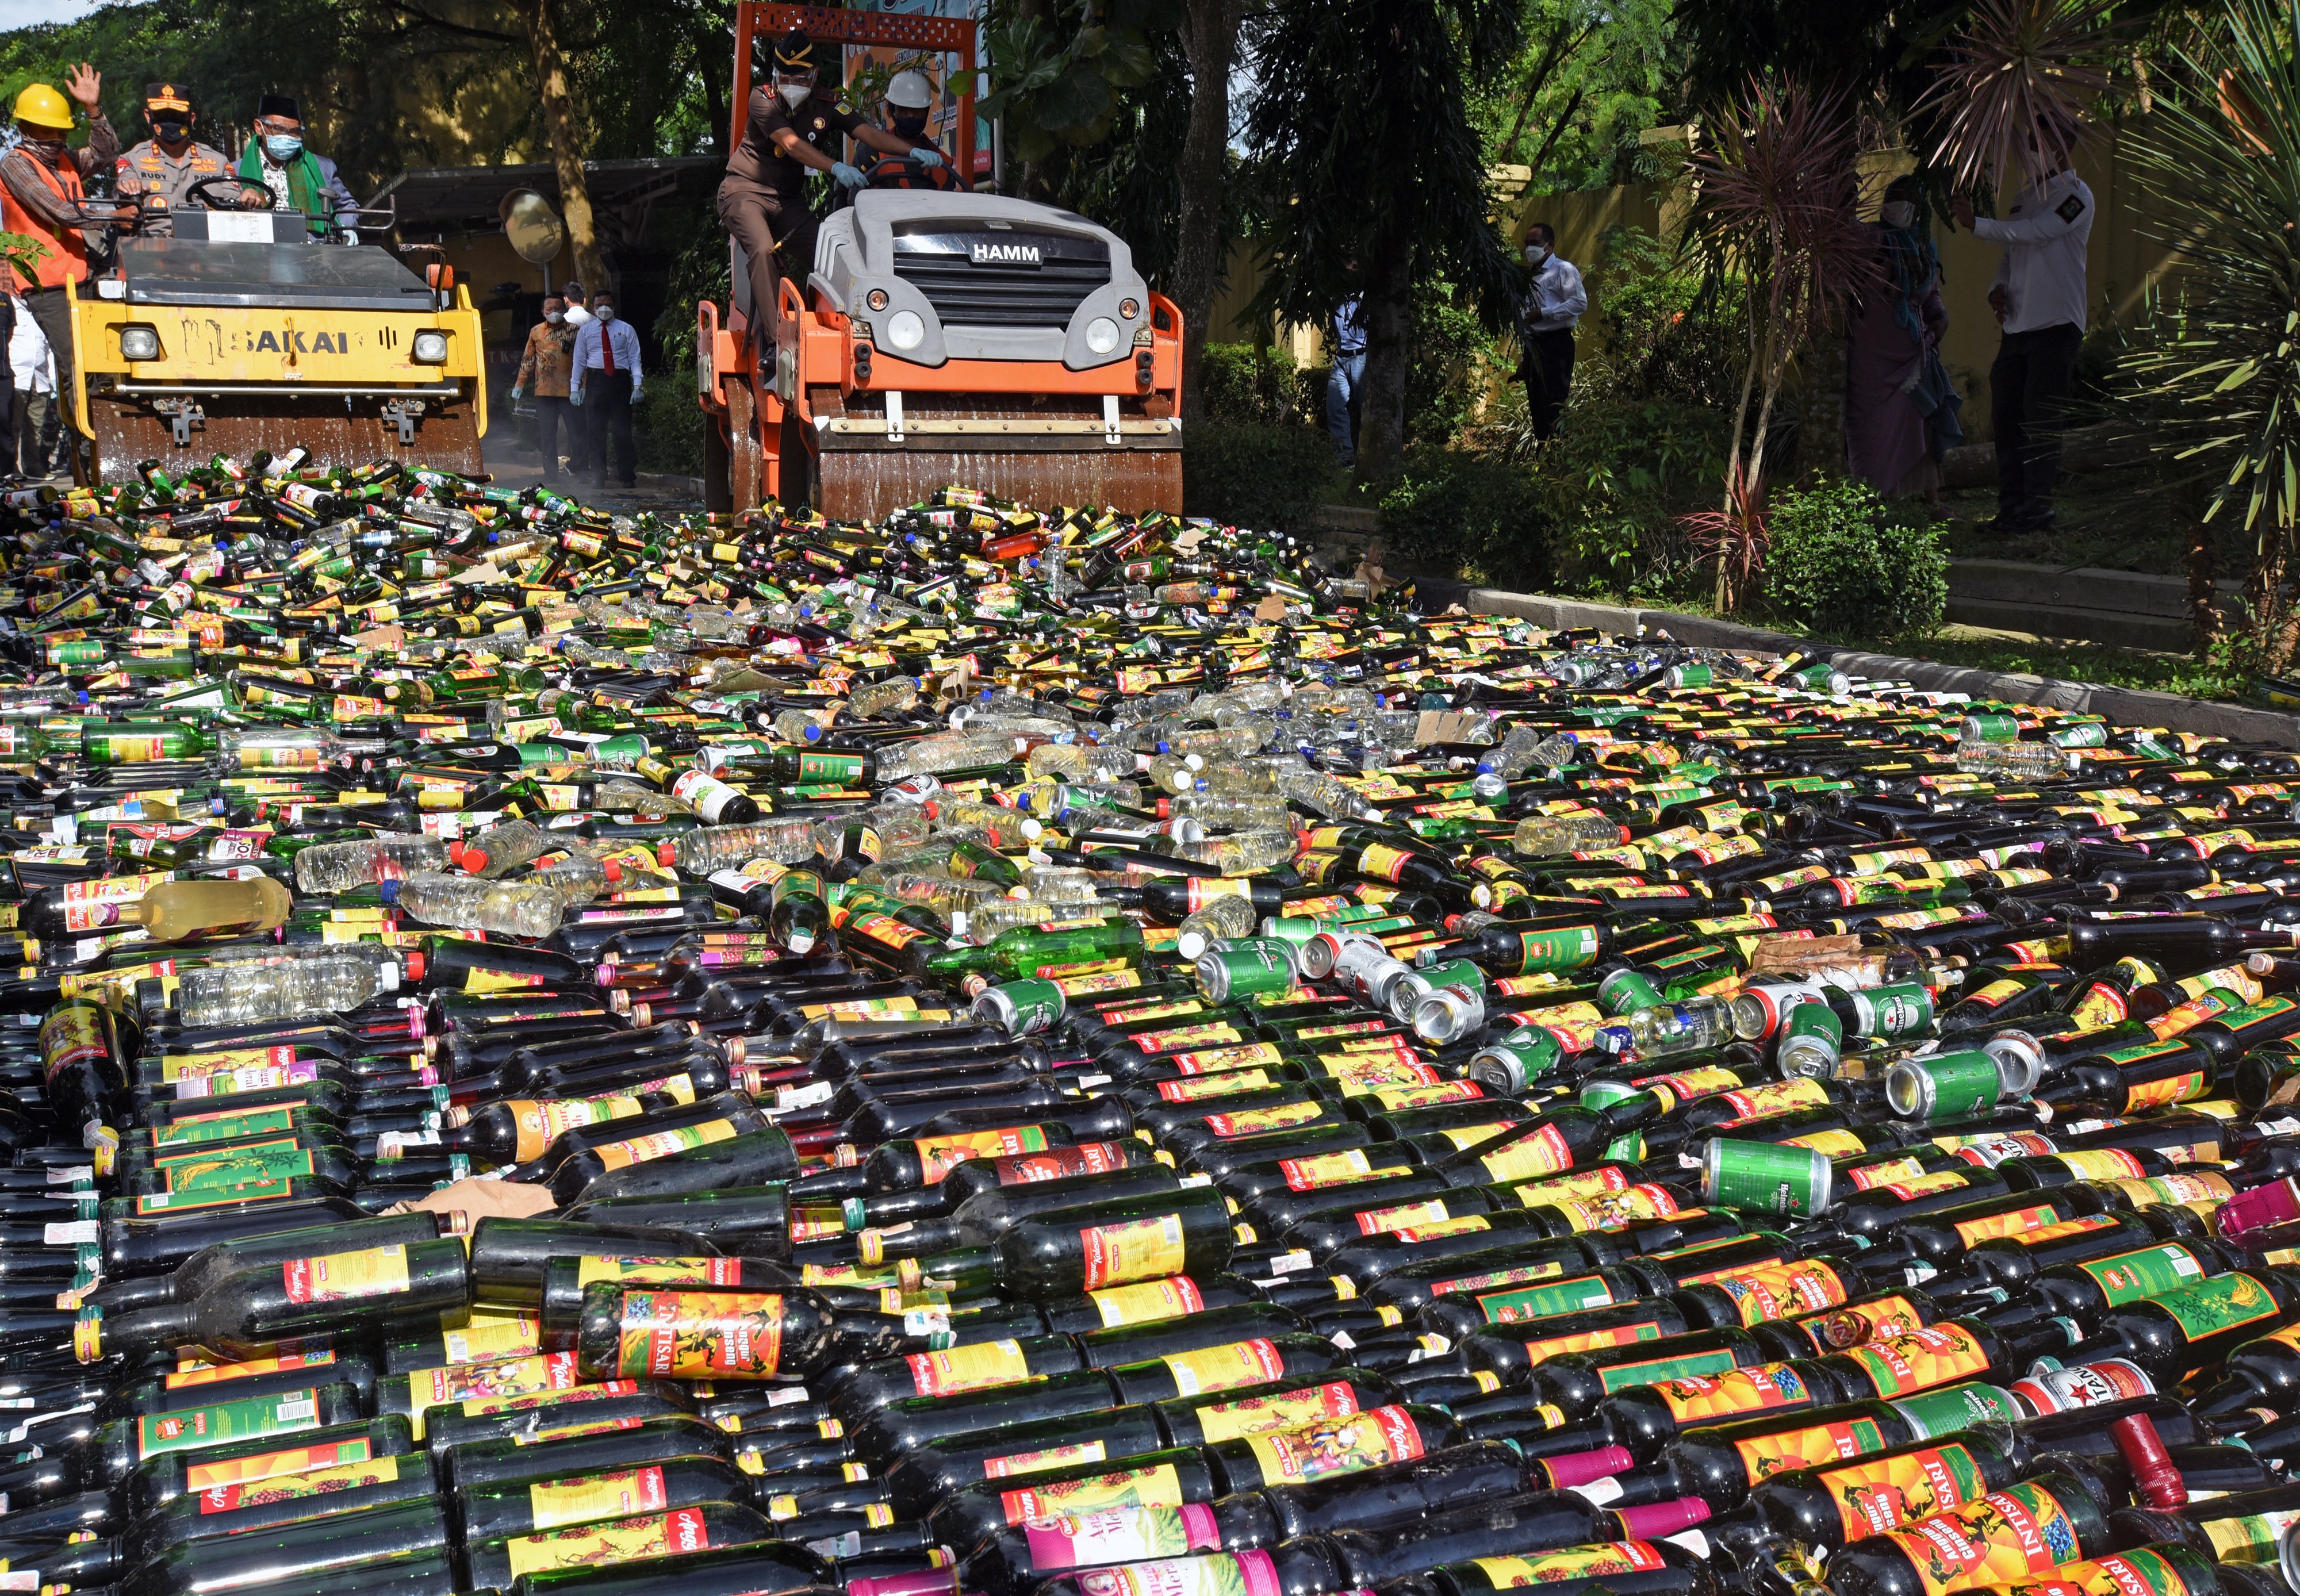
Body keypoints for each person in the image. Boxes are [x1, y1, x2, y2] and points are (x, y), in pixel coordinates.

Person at [716, 29, 949, 346]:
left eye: (800, 79)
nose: (791, 85)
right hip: (745, 191)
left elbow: (867, 133)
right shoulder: (762, 98)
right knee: (762, 250)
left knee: (832, 255)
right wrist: (836, 167)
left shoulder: (828, 105)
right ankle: (777, 344)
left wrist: (911, 151)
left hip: (787, 201)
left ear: (814, 76)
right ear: (775, 74)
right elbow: (791, 144)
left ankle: (859, 334)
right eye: (785, 77)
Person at [1950, 113, 2094, 535]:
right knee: (2008, 419)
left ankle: (2040, 510)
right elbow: (2012, 256)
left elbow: (2036, 233)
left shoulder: (2077, 195)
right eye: (2031, 140)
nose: (2033, 147)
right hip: (2018, 328)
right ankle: (2011, 508)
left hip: (2057, 325)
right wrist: (1998, 288)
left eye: (2042, 139)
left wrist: (1977, 224)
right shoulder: (2023, 197)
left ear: (2065, 143)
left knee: (2042, 419)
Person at [1, 66, 115, 469]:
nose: (60, 141)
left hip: (84, 274)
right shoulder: (14, 165)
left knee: (102, 365)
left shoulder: (64, 159)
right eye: (51, 133)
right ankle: (90, 454)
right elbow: (59, 211)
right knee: (76, 366)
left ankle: (108, 442)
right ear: (28, 129)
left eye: (63, 133)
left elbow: (105, 154)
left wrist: (93, 111)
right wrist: (112, 216)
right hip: (47, 284)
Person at [1847, 175, 1962, 500]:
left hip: (1915, 353)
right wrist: (1844, 192)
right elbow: (1843, 227)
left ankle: (1931, 501)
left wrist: (1940, 317)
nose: (1899, 205)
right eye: (1894, 197)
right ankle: (1878, 501)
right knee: (1874, 431)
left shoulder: (1924, 247)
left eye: (1909, 198)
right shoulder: (1871, 239)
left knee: (1922, 422)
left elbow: (1932, 294)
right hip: (1872, 360)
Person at [113, 82, 243, 235]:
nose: (170, 122)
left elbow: (237, 207)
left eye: (177, 116)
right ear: (148, 116)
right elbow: (123, 196)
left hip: (210, 247)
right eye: (162, 115)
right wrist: (129, 188)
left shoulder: (219, 162)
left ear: (191, 118)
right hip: (154, 248)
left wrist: (248, 199)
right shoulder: (132, 161)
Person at [237, 93, 361, 241]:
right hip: (259, 254)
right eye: (278, 129)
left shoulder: (322, 168)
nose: (287, 137)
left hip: (313, 253)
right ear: (259, 127)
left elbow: (348, 206)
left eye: (294, 132)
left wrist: (343, 229)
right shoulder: (236, 172)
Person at [1516, 223, 1585, 442]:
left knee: (1555, 404)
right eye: (1527, 244)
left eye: (1534, 244)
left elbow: (1579, 303)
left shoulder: (1564, 270)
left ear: (1550, 245)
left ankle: (1558, 455)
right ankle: (1543, 457)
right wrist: (1524, 358)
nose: (1529, 249)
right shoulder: (1530, 276)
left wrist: (1545, 313)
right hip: (1534, 345)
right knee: (1537, 404)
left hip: (1557, 345)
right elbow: (1528, 318)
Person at [570, 287, 642, 489]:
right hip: (596, 382)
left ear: (614, 307)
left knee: (622, 432)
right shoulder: (586, 331)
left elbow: (635, 359)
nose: (603, 309)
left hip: (620, 382)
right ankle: (598, 476)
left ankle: (627, 475)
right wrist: (575, 388)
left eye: (608, 305)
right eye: (599, 306)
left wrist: (638, 386)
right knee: (595, 432)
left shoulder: (626, 329)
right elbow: (579, 361)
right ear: (592, 308)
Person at [511, 295, 578, 482]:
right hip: (545, 393)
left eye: (557, 308)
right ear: (543, 312)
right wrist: (520, 385)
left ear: (564, 309)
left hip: (570, 392)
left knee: (576, 433)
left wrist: (582, 387)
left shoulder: (575, 331)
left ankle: (580, 469)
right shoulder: (536, 332)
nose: (554, 312)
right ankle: (551, 473)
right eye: (549, 309)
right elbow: (528, 360)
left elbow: (583, 360)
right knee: (548, 434)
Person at [859, 70, 961, 191]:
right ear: (892, 111)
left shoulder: (942, 162)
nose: (911, 115)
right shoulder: (872, 148)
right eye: (904, 108)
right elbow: (852, 197)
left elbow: (949, 206)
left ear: (926, 112)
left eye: (917, 109)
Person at [8, 295, 56, 478]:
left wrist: (52, 379)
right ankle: (10, 467)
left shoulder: (41, 310)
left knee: (36, 426)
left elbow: (49, 348)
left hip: (39, 378)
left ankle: (33, 467)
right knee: (13, 426)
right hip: (17, 377)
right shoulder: (9, 308)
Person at [1325, 277, 1366, 469]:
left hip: (1361, 357)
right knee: (1334, 406)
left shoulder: (1367, 299)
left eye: (1355, 267)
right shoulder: (1338, 299)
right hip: (1342, 357)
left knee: (1365, 407)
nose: (1350, 271)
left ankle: (1370, 456)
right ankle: (1345, 457)